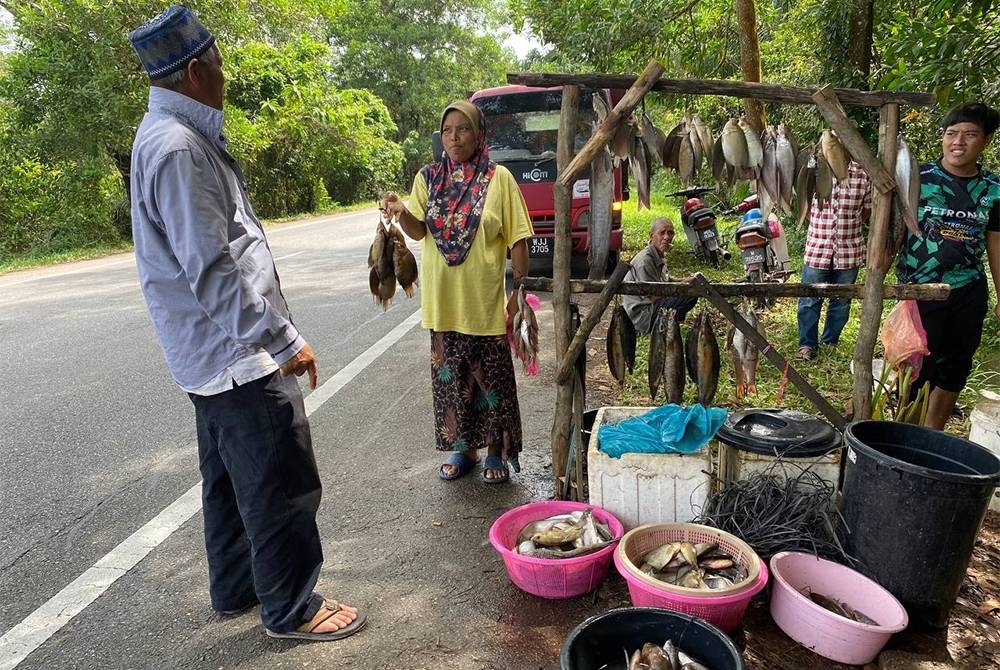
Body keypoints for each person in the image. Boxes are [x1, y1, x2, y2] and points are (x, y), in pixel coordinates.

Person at [128, 6, 364, 641]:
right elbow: (212, 269)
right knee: (279, 480)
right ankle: (291, 607)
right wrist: (283, 341)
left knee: (229, 478)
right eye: (220, 61)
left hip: (209, 356)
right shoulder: (178, 146)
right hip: (237, 354)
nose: (226, 74)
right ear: (197, 70)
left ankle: (237, 589)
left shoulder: (167, 135)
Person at [381, 101, 533, 483]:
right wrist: (401, 210)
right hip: (444, 303)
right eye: (447, 130)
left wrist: (518, 294)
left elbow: (518, 240)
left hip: (484, 303)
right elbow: (418, 231)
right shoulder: (428, 178)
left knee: (492, 382)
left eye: (463, 129)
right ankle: (463, 447)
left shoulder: (499, 179)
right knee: (454, 383)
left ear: (478, 133)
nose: (454, 137)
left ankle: (496, 449)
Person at [897, 102, 1000, 430]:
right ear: (942, 138)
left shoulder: (994, 189)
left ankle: (933, 435)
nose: (959, 141)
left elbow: (996, 243)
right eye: (951, 134)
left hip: (968, 288)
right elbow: (892, 229)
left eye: (970, 134)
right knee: (916, 370)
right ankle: (906, 434)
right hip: (920, 288)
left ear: (986, 141)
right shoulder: (916, 177)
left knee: (955, 368)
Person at [796, 160, 873, 360]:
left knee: (841, 301)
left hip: (849, 250)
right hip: (817, 247)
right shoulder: (814, 168)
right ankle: (807, 344)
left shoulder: (863, 173)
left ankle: (830, 341)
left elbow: (867, 210)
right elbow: (802, 198)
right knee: (809, 299)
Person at [622, 217, 697, 334]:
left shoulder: (658, 254)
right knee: (689, 295)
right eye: (662, 233)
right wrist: (683, 287)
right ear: (652, 236)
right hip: (643, 314)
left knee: (691, 290)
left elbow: (666, 280)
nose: (667, 237)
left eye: (670, 233)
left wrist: (688, 280)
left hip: (653, 303)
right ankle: (662, 324)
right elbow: (653, 295)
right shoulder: (645, 260)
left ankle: (670, 322)